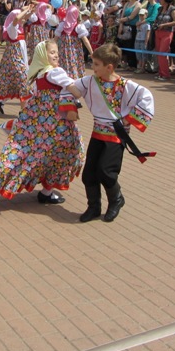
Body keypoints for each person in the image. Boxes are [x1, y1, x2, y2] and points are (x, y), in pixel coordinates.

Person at [0, 39, 83, 202]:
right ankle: (47, 192)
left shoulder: (38, 75)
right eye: (52, 52)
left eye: (56, 52)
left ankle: (43, 190)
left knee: (38, 154)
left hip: (42, 125)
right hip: (59, 124)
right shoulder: (56, 73)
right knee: (68, 151)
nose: (56, 55)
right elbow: (76, 92)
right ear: (43, 55)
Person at [65, 43, 155, 222]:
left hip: (116, 135)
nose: (93, 67)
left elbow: (147, 98)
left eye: (96, 64)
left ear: (109, 67)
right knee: (89, 173)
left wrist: (128, 118)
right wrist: (66, 93)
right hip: (97, 133)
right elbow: (73, 89)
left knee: (106, 171)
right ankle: (94, 207)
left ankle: (116, 200)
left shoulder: (126, 85)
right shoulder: (90, 81)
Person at [0, 7, 33, 114]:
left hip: (19, 57)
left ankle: (4, 101)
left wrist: (31, 9)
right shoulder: (12, 28)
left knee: (10, 80)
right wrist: (26, 11)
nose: (24, 20)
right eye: (22, 18)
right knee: (23, 81)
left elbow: (24, 18)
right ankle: (24, 111)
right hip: (14, 58)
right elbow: (18, 18)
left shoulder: (19, 27)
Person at [55, 4, 93, 80]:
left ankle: (65, 80)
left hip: (64, 51)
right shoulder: (79, 26)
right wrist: (91, 52)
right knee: (75, 63)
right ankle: (75, 79)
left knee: (64, 64)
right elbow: (85, 40)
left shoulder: (62, 25)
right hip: (75, 51)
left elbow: (55, 39)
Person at [153, 0, 175, 81]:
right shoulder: (160, 9)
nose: (159, 0)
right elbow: (156, 19)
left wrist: (165, 24)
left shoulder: (172, 9)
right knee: (158, 53)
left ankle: (165, 74)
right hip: (158, 32)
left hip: (167, 33)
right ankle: (161, 72)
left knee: (162, 53)